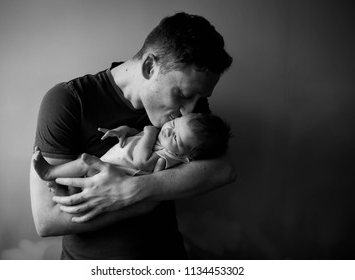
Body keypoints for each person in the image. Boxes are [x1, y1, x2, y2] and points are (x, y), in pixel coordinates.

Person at [30, 12, 236, 259]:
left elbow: (223, 170)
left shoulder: (188, 113)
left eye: (199, 99)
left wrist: (137, 189)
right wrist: (136, 203)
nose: (190, 109)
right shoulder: (69, 100)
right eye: (182, 94)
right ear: (150, 67)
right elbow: (47, 220)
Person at [33, 113, 231, 181]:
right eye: (174, 123)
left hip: (106, 173)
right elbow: (138, 135)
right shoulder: (164, 142)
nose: (169, 130)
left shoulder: (166, 158)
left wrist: (151, 132)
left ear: (188, 156)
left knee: (84, 162)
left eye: (177, 138)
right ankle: (61, 184)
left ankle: (49, 172)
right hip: (104, 165)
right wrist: (125, 130)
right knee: (80, 162)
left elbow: (141, 161)